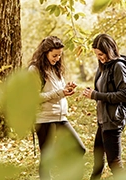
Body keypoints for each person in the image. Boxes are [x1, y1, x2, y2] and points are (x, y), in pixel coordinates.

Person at [28, 35, 86, 180]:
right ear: (45, 52)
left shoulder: (56, 69)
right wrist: (60, 92)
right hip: (44, 119)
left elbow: (56, 93)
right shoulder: (34, 70)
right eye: (54, 55)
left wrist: (66, 90)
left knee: (79, 149)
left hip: (60, 117)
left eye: (59, 55)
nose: (57, 58)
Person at [83, 33, 126, 179]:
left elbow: (125, 94)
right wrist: (92, 93)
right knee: (98, 163)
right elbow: (103, 90)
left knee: (115, 163)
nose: (99, 57)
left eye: (101, 54)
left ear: (110, 50)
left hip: (113, 121)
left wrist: (96, 95)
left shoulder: (118, 66)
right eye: (97, 54)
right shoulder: (103, 67)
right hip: (103, 121)